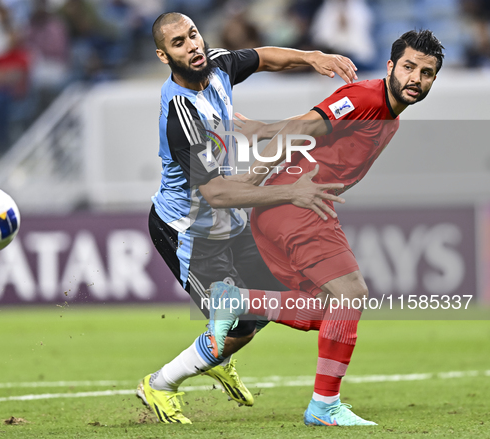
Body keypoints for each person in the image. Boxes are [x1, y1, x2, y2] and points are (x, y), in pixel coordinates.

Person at [207, 29, 444, 426]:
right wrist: (248, 183)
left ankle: (238, 301)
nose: (415, 78)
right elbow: (304, 127)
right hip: (296, 202)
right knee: (351, 293)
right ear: (390, 67)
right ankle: (324, 406)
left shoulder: (390, 117)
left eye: (426, 72)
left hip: (291, 207)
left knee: (329, 310)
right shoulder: (367, 97)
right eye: (408, 67)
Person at [137, 11, 359, 424]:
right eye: (179, 43)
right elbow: (217, 193)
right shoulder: (180, 116)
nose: (193, 45)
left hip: (229, 223)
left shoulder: (217, 64)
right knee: (239, 319)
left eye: (193, 35)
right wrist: (290, 191)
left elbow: (264, 57)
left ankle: (218, 357)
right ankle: (160, 384)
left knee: (269, 302)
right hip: (189, 231)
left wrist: (312, 57)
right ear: (164, 56)